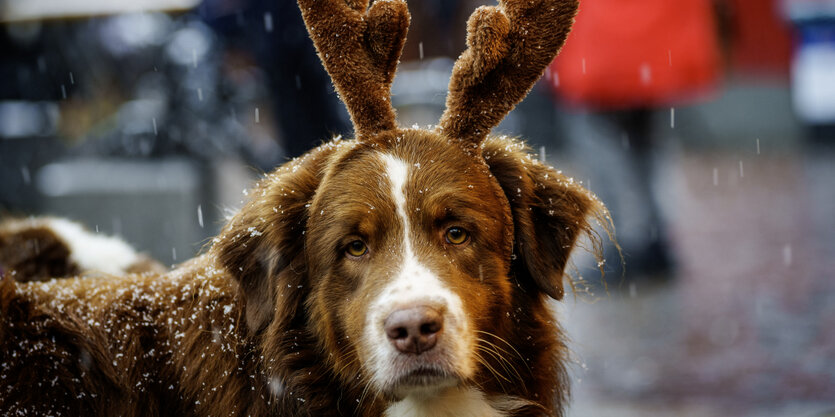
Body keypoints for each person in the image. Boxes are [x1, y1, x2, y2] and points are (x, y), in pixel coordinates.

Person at [547, 0, 722, 283]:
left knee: (597, 129)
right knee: (645, 131)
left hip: (603, 33)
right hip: (657, 31)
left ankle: (625, 240)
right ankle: (654, 235)